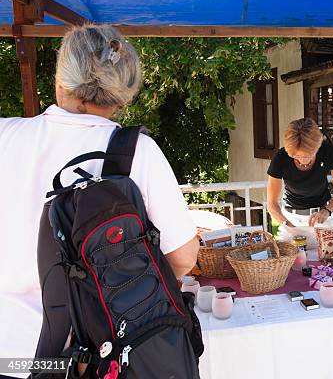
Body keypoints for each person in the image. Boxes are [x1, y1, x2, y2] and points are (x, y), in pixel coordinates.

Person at [0, 24, 199, 370]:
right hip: (82, 356)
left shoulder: (5, 135)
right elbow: (183, 257)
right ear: (125, 93)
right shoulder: (134, 152)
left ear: (61, 79)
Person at [267, 118, 333, 231]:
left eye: (309, 155)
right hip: (291, 217)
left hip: (324, 216)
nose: (304, 160)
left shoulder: (326, 150)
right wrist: (286, 224)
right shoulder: (281, 158)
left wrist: (327, 210)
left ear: (317, 147)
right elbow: (271, 203)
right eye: (298, 156)